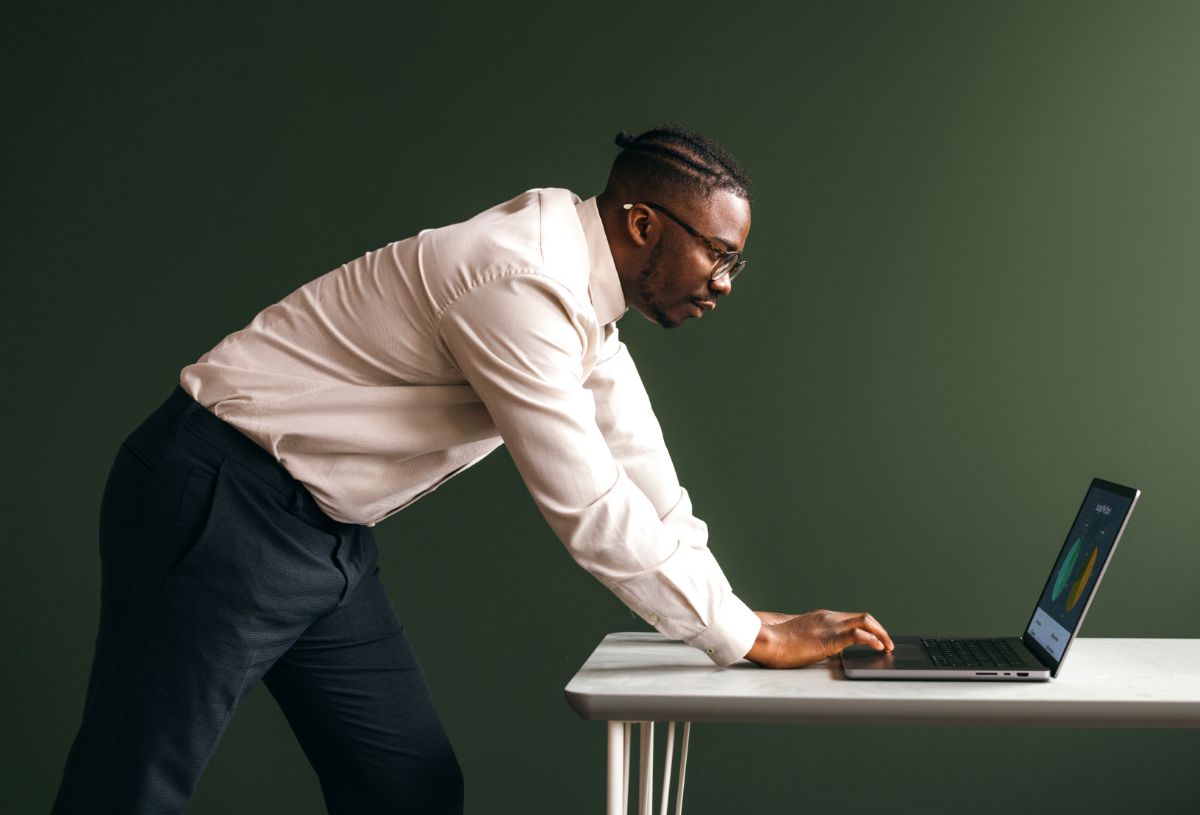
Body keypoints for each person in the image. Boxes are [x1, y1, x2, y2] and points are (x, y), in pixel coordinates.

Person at [52, 124, 894, 814]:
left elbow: (643, 474)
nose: (725, 282)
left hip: (323, 534)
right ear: (643, 225)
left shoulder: (581, 296)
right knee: (127, 793)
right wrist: (746, 636)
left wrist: (744, 622)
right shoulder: (521, 281)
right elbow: (593, 507)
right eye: (720, 253)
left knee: (409, 789)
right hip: (219, 501)